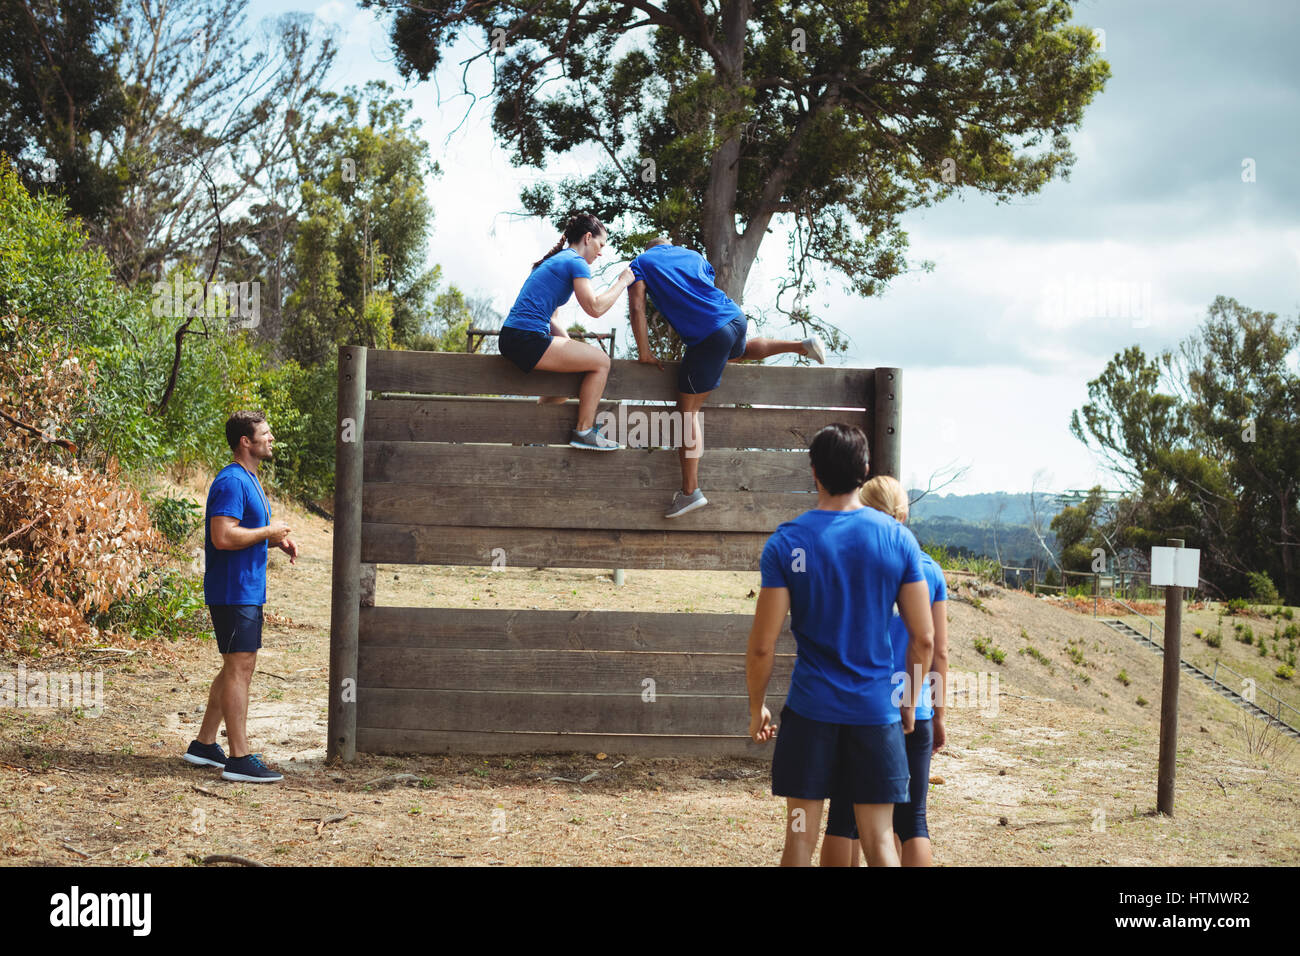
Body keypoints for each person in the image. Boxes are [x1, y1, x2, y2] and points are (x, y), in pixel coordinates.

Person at [746, 424, 934, 866]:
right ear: (864, 471)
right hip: (875, 714)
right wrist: (908, 701)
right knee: (881, 841)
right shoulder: (898, 539)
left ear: (814, 473)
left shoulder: (788, 543)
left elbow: (761, 646)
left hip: (810, 713)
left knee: (798, 839)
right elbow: (924, 638)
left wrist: (757, 707)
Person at [626, 238, 826, 517]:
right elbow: (707, 282)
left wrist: (645, 353)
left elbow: (637, 308)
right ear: (669, 246)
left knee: (687, 413)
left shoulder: (641, 263)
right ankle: (800, 346)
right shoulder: (692, 255)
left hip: (708, 333)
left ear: (649, 249)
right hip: (734, 318)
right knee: (740, 352)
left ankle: (690, 492)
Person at [819, 475, 949, 867]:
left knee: (844, 816)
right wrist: (938, 713)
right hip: (916, 708)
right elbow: (937, 651)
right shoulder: (929, 570)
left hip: (859, 706)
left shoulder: (845, 561)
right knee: (914, 822)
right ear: (903, 515)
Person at [181, 411, 296, 783]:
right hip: (232, 592)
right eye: (265, 433)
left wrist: (276, 539)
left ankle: (204, 745)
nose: (271, 437)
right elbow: (223, 536)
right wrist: (268, 532)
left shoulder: (249, 478)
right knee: (239, 667)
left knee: (236, 665)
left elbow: (246, 531)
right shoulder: (231, 480)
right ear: (245, 442)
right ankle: (239, 758)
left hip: (244, 589)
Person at [499, 212, 635, 450]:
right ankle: (583, 432)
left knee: (571, 376)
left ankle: (530, 437)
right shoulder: (576, 262)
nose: (601, 252)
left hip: (514, 336)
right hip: (526, 337)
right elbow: (594, 307)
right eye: (600, 245)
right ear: (588, 237)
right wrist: (623, 282)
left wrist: (572, 349)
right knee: (602, 362)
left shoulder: (554, 261)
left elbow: (552, 318)